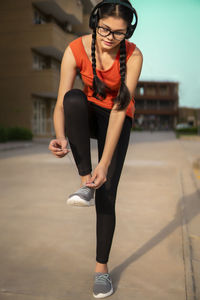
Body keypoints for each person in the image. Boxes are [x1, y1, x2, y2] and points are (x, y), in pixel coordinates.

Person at [48, 0, 143, 298]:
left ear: (127, 31)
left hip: (117, 119)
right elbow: (62, 100)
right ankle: (83, 183)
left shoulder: (134, 55)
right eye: (104, 28)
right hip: (87, 113)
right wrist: (60, 136)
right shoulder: (76, 49)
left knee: (108, 192)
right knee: (74, 98)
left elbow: (119, 108)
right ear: (95, 21)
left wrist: (104, 163)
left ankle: (101, 270)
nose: (109, 37)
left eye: (118, 32)